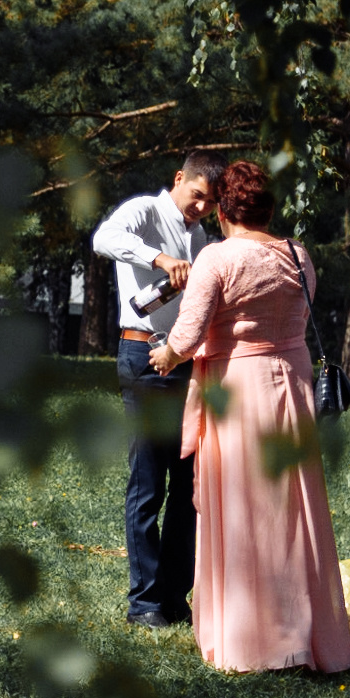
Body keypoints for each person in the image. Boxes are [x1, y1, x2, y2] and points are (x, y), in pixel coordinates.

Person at [146, 161, 350, 674]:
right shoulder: (297, 254)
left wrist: (166, 356)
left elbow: (189, 332)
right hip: (292, 382)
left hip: (240, 389)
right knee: (293, 507)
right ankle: (306, 631)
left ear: (223, 211)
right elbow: (297, 321)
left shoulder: (218, 258)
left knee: (246, 509)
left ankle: (252, 637)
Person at [91, 149, 227, 627]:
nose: (201, 209)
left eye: (210, 203)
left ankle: (174, 596)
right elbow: (103, 239)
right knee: (148, 483)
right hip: (143, 356)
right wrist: (159, 257)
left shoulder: (202, 235)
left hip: (185, 362)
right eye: (196, 197)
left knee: (189, 485)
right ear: (178, 179)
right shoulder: (144, 211)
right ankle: (144, 602)